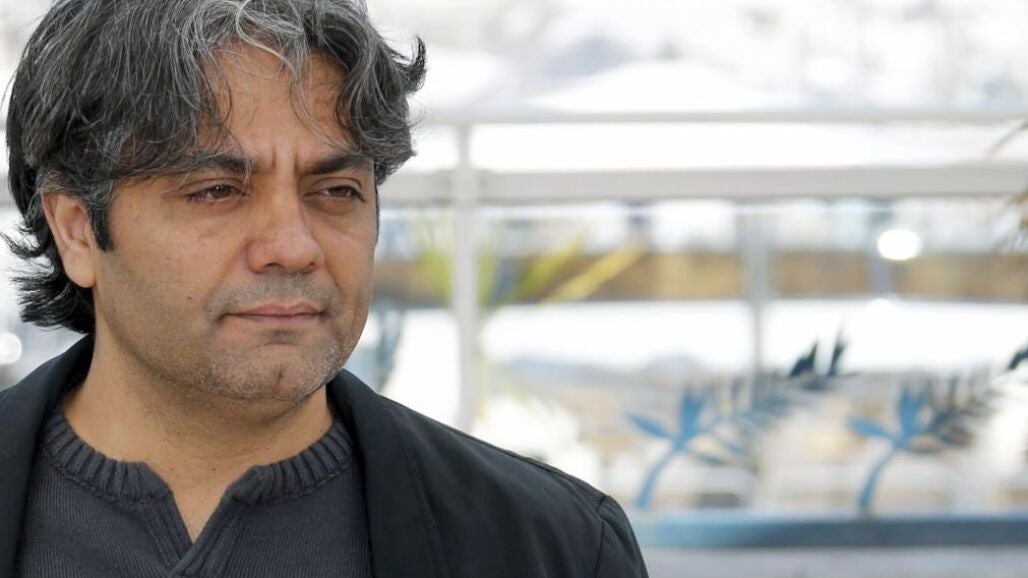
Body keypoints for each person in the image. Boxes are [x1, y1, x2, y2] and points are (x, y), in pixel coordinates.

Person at [0, 0, 648, 576]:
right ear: (76, 230)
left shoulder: (553, 547)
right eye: (217, 191)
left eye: (336, 191)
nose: (294, 246)